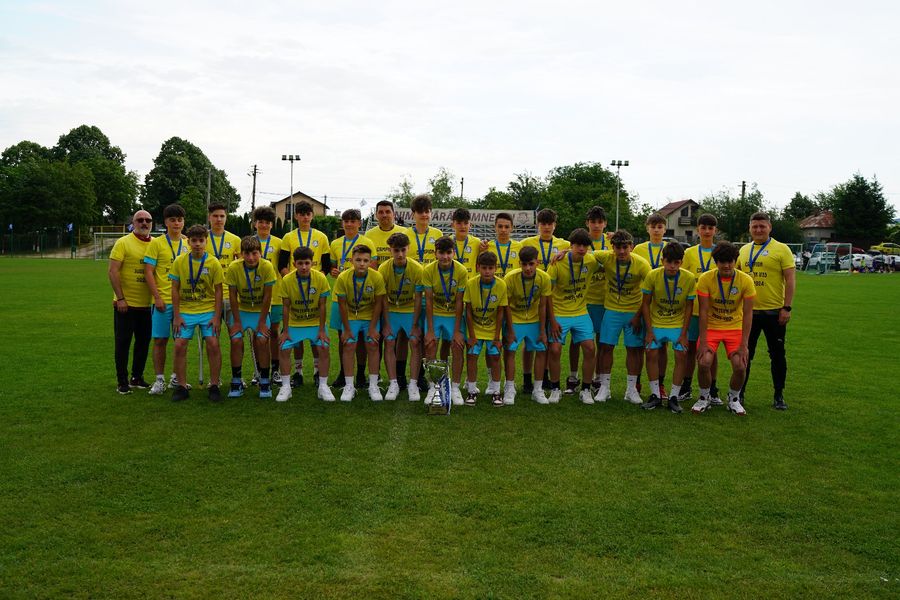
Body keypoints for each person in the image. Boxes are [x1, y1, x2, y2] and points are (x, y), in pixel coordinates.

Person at [737, 212, 796, 410]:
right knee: (745, 354)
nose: (758, 230)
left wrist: (786, 307)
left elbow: (790, 280)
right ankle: (739, 394)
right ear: (749, 228)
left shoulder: (782, 249)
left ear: (770, 227)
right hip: (748, 313)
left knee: (777, 355)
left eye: (762, 226)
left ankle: (779, 395)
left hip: (774, 312)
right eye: (755, 226)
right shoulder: (744, 250)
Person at [693, 242, 756, 416]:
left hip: (734, 328)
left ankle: (733, 399)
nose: (727, 265)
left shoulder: (746, 280)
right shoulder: (706, 278)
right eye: (722, 262)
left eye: (730, 261)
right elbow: (703, 311)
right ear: (716, 262)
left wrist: (744, 344)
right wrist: (703, 341)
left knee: (740, 365)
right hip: (712, 327)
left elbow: (748, 313)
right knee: (704, 361)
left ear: (735, 261)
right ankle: (704, 397)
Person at [594, 230, 652, 404]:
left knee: (633, 349)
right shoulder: (606, 257)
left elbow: (651, 291)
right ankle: (604, 387)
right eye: (617, 247)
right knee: (606, 347)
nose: (621, 251)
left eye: (625, 247)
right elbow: (583, 252)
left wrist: (638, 315)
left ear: (631, 247)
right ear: (612, 247)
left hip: (633, 311)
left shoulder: (641, 264)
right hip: (612, 310)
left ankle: (631, 389)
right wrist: (563, 252)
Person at [169, 225, 224, 402]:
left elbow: (218, 291)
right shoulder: (179, 261)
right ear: (188, 242)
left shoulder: (213, 262)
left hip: (208, 310)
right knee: (179, 345)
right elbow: (174, 289)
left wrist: (217, 316)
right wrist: (177, 316)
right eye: (194, 240)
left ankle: (214, 385)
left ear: (206, 242)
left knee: (213, 344)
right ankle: (182, 386)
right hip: (186, 310)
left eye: (201, 240)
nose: (198, 244)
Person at [639, 243, 696, 413]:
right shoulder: (652, 275)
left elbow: (689, 307)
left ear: (681, 262)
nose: (672, 266)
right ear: (662, 261)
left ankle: (673, 397)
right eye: (669, 262)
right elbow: (645, 304)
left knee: (681, 353)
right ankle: (655, 395)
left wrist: (684, 334)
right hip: (657, 322)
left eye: (676, 262)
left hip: (677, 324)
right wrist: (649, 331)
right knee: (650, 351)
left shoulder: (689, 278)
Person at [279, 201, 330, 387]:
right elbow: (282, 264)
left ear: (312, 216)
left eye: (308, 214)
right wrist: (293, 281)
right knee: (297, 334)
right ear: (296, 216)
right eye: (301, 214)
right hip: (295, 287)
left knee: (316, 335)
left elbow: (326, 265)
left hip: (314, 287)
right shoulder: (288, 237)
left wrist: (314, 281)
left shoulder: (321, 237)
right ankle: (298, 372)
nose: (305, 217)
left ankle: (317, 372)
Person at [546, 229, 599, 405]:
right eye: (578, 245)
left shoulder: (591, 260)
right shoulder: (557, 263)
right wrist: (552, 320)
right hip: (559, 312)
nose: (582, 249)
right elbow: (547, 293)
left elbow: (610, 257)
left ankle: (586, 389)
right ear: (571, 245)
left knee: (590, 348)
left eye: (585, 245)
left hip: (581, 312)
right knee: (554, 349)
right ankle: (555, 389)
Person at [519, 208, 570, 391]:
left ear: (555, 225)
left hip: (555, 299)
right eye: (543, 224)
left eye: (550, 224)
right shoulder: (526, 242)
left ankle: (545, 375)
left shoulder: (564, 243)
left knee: (547, 339)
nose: (546, 227)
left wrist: (566, 252)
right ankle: (526, 379)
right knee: (529, 342)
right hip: (532, 299)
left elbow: (582, 249)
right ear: (537, 225)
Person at [276, 246, 334, 402]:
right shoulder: (287, 280)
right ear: (294, 264)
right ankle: (286, 387)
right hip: (294, 323)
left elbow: (322, 305)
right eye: (300, 263)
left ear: (312, 263)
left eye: (307, 263)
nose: (303, 267)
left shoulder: (320, 278)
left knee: (324, 346)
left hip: (314, 322)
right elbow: (286, 307)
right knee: (284, 348)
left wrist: (322, 330)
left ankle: (323, 386)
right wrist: (285, 331)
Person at [143, 203, 189, 395]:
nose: (176, 223)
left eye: (179, 220)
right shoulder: (156, 243)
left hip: (184, 303)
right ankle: (159, 380)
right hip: (162, 301)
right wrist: (157, 297)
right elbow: (148, 272)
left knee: (181, 342)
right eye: (172, 220)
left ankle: (176, 378)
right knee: (160, 340)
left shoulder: (188, 243)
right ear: (166, 222)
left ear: (183, 222)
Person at [224, 236, 276, 398]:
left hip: (260, 311)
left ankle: (265, 380)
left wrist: (262, 322)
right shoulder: (234, 267)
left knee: (262, 339)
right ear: (241, 254)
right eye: (247, 253)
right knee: (235, 339)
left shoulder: (267, 266)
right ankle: (236, 380)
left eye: (254, 253)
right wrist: (237, 321)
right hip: (242, 310)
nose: (251, 258)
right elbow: (232, 297)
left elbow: (267, 297)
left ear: (260, 253)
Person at [108, 209, 154, 394]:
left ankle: (137, 377)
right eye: (140, 220)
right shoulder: (123, 242)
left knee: (143, 343)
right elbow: (113, 271)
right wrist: (120, 298)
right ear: (133, 223)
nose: (144, 223)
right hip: (125, 305)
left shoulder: (156, 243)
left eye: (148, 220)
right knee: (123, 343)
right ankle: (122, 381)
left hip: (147, 305)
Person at [328, 209, 375, 388]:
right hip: (340, 296)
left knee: (362, 338)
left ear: (359, 223)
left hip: (362, 297)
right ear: (342, 223)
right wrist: (334, 271)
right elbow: (332, 266)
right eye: (346, 221)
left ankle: (361, 374)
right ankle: (343, 373)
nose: (349, 224)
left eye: (353, 221)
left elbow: (373, 267)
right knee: (343, 336)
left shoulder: (367, 242)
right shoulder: (335, 243)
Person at [419, 236, 468, 406]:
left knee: (457, 345)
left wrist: (457, 331)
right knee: (430, 344)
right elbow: (429, 300)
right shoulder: (428, 270)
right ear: (435, 253)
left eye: (448, 252)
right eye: (441, 253)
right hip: (436, 313)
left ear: (454, 253)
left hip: (454, 314)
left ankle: (455, 387)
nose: (445, 257)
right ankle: (434, 387)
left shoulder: (461, 271)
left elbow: (460, 301)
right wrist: (430, 330)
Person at [334, 245, 386, 402]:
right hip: (351, 316)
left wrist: (373, 328)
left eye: (365, 260)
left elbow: (378, 303)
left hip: (370, 317)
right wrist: (346, 329)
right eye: (358, 260)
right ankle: (349, 385)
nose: (362, 264)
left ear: (370, 262)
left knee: (373, 344)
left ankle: (373, 385)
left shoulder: (376, 277)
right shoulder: (343, 277)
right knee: (349, 344)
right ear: (352, 260)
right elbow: (342, 305)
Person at [680, 213, 722, 404]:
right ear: (698, 230)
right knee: (689, 350)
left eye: (710, 228)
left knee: (712, 352)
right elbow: (684, 279)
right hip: (693, 311)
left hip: (713, 312)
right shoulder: (689, 253)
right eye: (703, 228)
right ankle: (686, 386)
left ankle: (712, 389)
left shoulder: (720, 252)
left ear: (715, 230)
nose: (706, 231)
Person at [503, 246, 552, 404]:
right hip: (515, 318)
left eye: (531, 264)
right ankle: (509, 388)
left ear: (537, 262)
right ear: (519, 263)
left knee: (541, 349)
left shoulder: (544, 278)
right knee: (510, 350)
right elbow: (506, 306)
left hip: (534, 318)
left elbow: (543, 306)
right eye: (524, 264)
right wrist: (510, 330)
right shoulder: (510, 278)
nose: (528, 268)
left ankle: (537, 389)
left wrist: (542, 331)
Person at [378, 232, 424, 401]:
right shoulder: (383, 269)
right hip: (391, 310)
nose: (400, 254)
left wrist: (415, 324)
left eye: (403, 250)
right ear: (390, 250)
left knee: (415, 342)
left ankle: (413, 384)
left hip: (410, 310)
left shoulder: (417, 269)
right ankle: (393, 383)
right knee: (389, 341)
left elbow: (418, 299)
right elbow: (382, 298)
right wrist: (386, 324)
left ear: (408, 248)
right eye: (396, 250)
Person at [568, 205, 608, 393]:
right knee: (577, 341)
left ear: (605, 224)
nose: (596, 225)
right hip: (582, 301)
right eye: (593, 222)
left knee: (601, 342)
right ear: (587, 223)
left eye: (600, 222)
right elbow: (566, 250)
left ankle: (597, 378)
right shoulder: (580, 241)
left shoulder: (610, 243)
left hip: (604, 301)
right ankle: (573, 378)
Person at [463, 252, 508, 406]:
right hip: (475, 327)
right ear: (478, 267)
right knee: (472, 356)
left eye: (490, 268)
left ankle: (496, 391)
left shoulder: (501, 285)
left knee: (495, 357)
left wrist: (497, 336)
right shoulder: (471, 283)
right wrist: (471, 335)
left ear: (496, 268)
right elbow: (468, 311)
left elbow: (500, 312)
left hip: (492, 328)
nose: (487, 271)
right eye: (484, 268)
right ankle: (471, 390)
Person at [632, 213, 669, 397]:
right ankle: (636, 384)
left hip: (663, 304)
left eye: (659, 227)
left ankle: (660, 385)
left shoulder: (670, 248)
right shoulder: (638, 249)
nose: (656, 230)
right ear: (647, 228)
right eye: (653, 226)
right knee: (639, 345)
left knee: (662, 346)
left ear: (665, 229)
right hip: (641, 302)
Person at [251, 207, 283, 386]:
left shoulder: (279, 243)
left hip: (276, 294)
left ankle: (276, 370)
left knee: (274, 332)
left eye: (267, 222)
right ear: (255, 223)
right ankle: (258, 370)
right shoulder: (249, 242)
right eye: (260, 222)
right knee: (258, 333)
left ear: (272, 225)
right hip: (254, 296)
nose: (264, 225)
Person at [206, 202, 242, 318]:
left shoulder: (235, 240)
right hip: (208, 296)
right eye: (215, 216)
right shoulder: (202, 239)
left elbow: (242, 266)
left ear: (226, 218)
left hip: (229, 294)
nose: (219, 219)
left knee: (234, 328)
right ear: (209, 217)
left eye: (222, 216)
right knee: (212, 329)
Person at [480, 212, 522, 278]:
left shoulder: (519, 246)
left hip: (512, 284)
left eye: (506, 227)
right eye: (500, 226)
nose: (503, 230)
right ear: (495, 227)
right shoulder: (486, 246)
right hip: (494, 284)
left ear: (512, 228)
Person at [365, 200, 404, 267]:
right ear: (376, 215)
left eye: (387, 212)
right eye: (381, 212)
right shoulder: (368, 235)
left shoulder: (404, 232)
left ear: (393, 214)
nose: (384, 215)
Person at [451, 207, 481, 275]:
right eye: (459, 223)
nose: (463, 226)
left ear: (470, 225)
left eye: (466, 223)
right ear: (452, 225)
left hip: (470, 281)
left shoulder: (477, 242)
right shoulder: (447, 242)